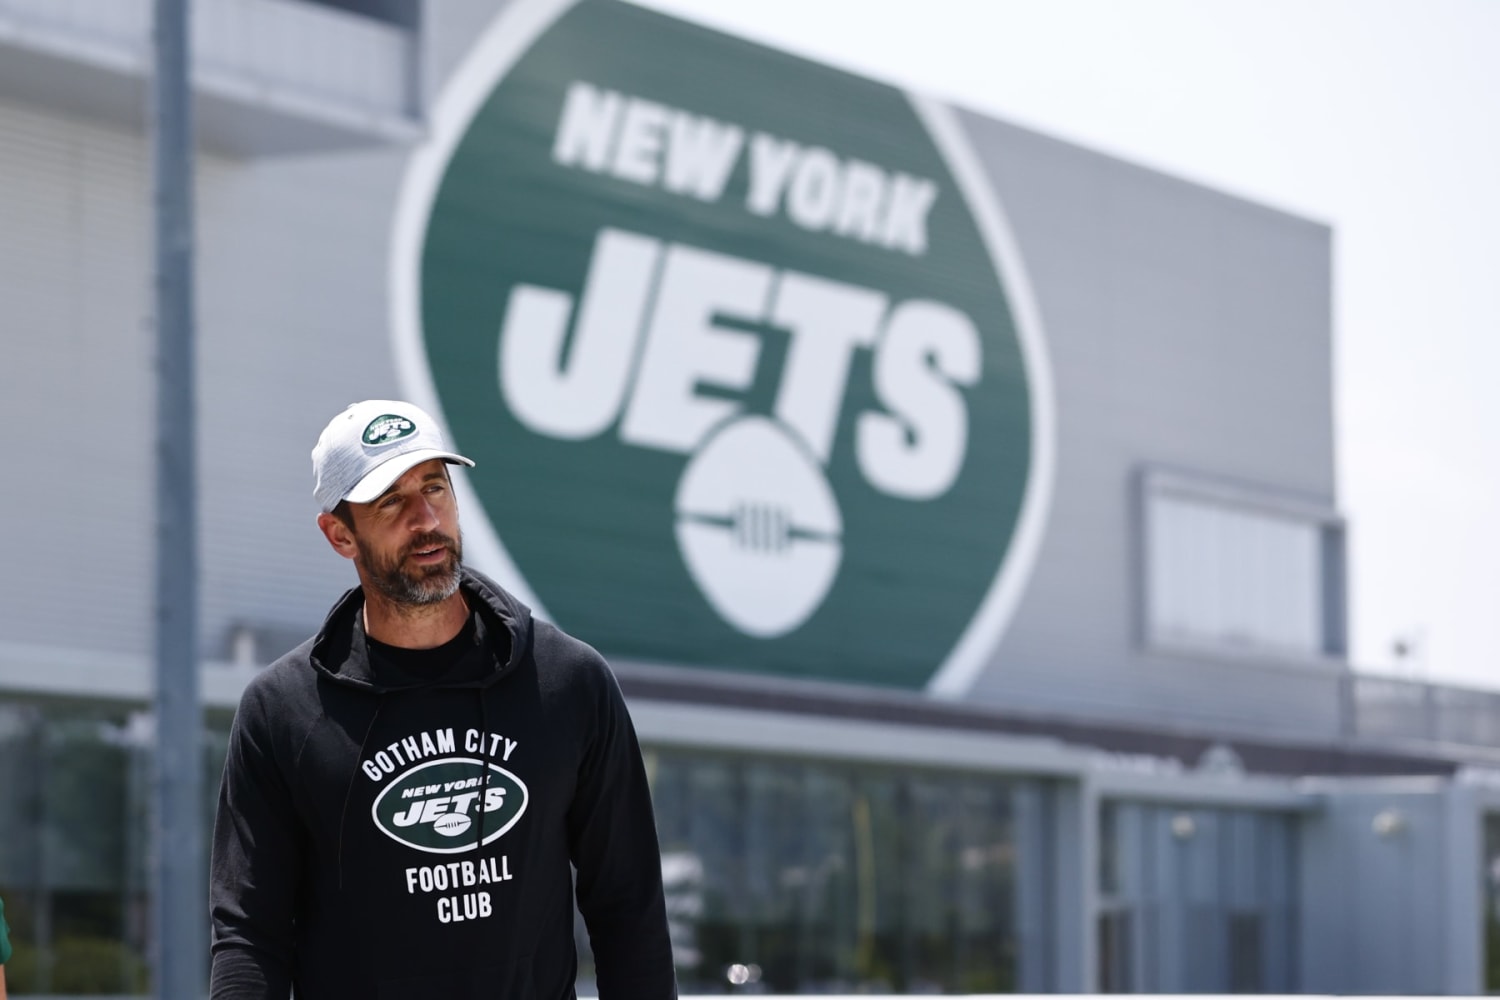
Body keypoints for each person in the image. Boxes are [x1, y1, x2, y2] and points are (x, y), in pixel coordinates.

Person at [210, 399, 677, 999]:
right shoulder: (283, 711)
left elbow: (629, 908)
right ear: (339, 534)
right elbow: (250, 935)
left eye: (435, 487)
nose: (425, 518)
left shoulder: (568, 683)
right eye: (391, 501)